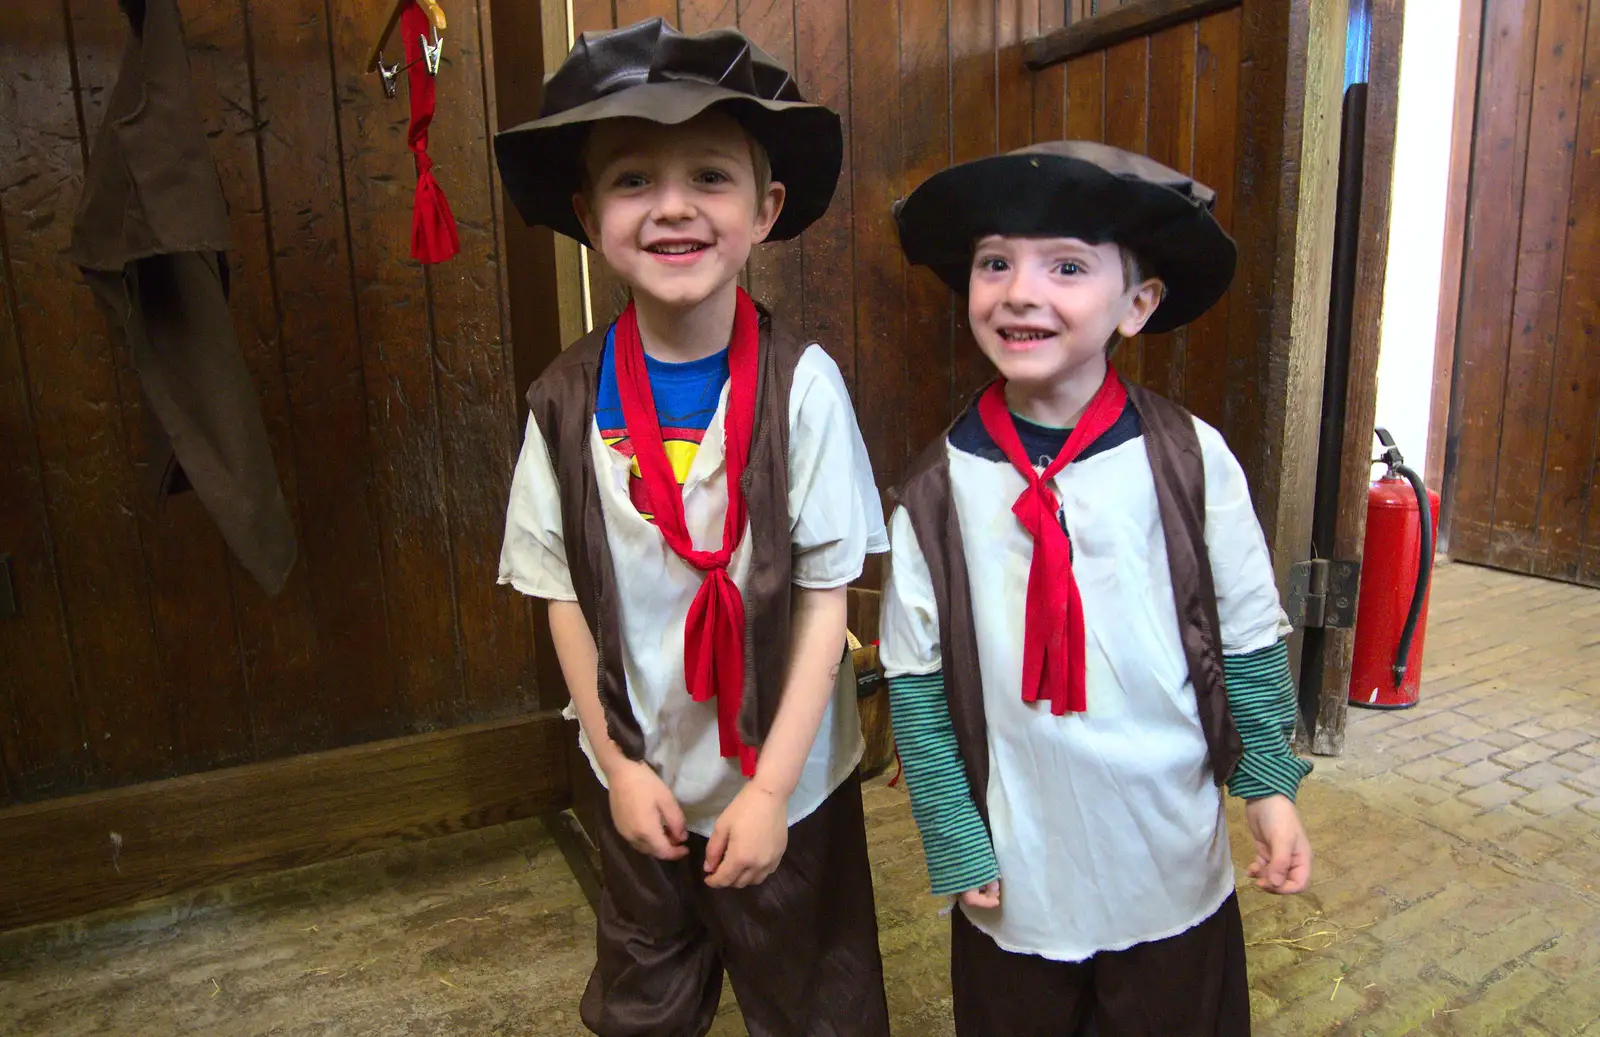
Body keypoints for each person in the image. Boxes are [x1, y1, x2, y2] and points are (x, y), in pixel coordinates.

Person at [493, 18, 891, 1037]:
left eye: (708, 177)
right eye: (632, 180)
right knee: (642, 997)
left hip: (787, 778)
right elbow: (561, 600)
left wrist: (767, 788)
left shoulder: (804, 387)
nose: (671, 206)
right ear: (587, 213)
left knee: (817, 999)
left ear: (763, 210)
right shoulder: (564, 402)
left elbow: (820, 602)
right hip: (643, 770)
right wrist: (620, 766)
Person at [881, 140, 1314, 1037]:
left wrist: (1268, 784)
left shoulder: (1190, 460)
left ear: (1138, 304)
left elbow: (1248, 634)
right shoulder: (936, 488)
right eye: (994, 262)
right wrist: (953, 831)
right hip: (1019, 854)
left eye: (1068, 266)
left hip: (1164, 846)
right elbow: (916, 682)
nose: (1020, 290)